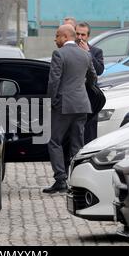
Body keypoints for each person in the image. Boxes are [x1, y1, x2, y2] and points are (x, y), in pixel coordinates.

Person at [43, 25, 97, 194]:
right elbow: (93, 77)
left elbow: (54, 81)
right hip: (82, 104)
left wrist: (51, 102)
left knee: (54, 141)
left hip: (64, 105)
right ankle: (77, 181)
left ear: (65, 37)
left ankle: (60, 179)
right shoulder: (86, 54)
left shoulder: (59, 54)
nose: (55, 39)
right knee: (77, 144)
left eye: (57, 36)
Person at [75, 22, 105, 144]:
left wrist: (88, 53)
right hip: (74, 97)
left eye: (83, 35)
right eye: (77, 34)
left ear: (88, 36)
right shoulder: (68, 50)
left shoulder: (96, 51)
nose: (80, 37)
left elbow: (99, 70)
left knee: (90, 132)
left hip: (90, 98)